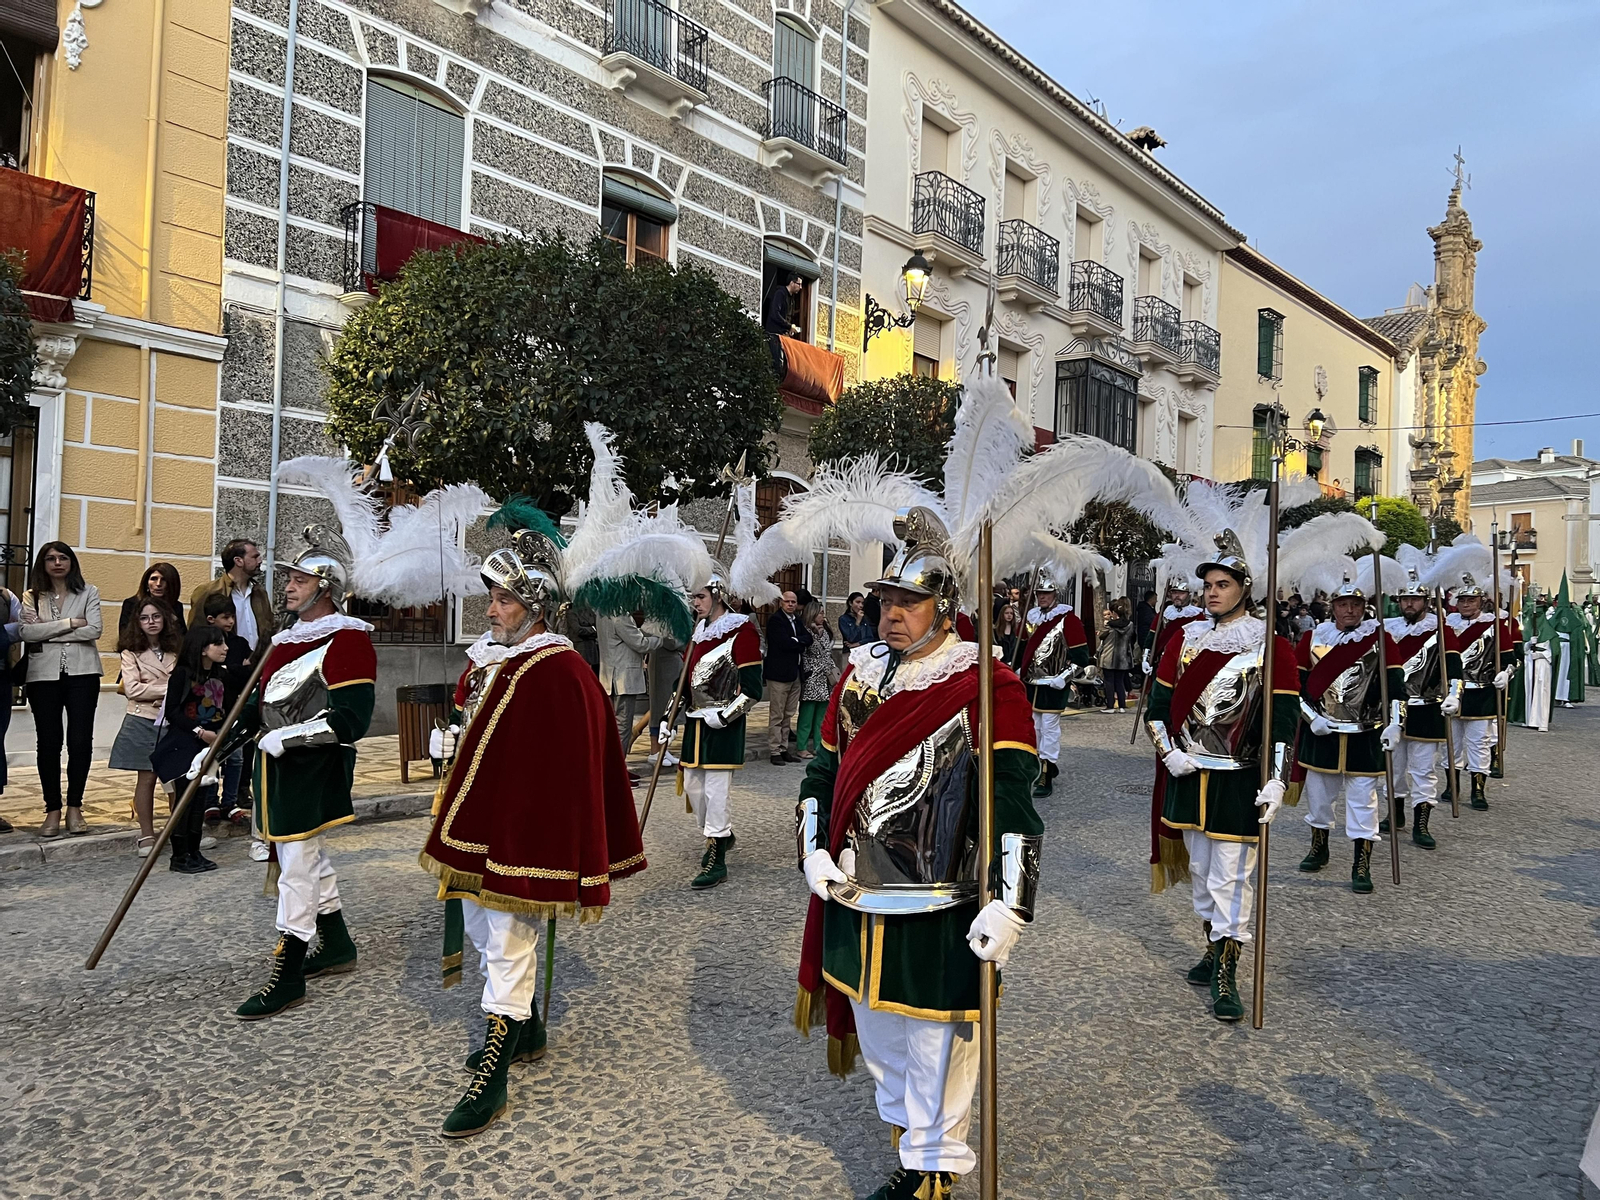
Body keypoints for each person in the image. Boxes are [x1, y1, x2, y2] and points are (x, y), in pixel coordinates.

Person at [794, 512, 1042, 1200]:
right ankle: (911, 1147)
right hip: (855, 889)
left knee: (936, 1044)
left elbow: (1014, 804)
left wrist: (1012, 904)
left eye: (908, 603)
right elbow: (822, 772)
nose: (891, 615)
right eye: (885, 601)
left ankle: (936, 1167)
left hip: (941, 898)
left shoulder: (988, 685)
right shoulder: (862, 674)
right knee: (880, 1037)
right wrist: (813, 850)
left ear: (945, 609)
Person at [419, 522, 645, 1138]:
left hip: (526, 833)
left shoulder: (558, 670)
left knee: (505, 936)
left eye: (504, 600)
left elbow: (567, 765)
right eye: (491, 598)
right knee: (475, 919)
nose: (491, 610)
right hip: (482, 819)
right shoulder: (505, 658)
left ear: (535, 606)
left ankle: (494, 1071)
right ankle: (528, 1027)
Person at [1144, 533, 1298, 1022]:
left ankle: (1228, 966)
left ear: (1243, 589)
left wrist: (1277, 778)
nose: (1212, 592)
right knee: (1202, 875)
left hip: (1236, 779)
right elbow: (1158, 709)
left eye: (1223, 584)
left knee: (1233, 875)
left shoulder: (1269, 645)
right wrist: (1168, 753)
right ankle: (1212, 946)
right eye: (1208, 584)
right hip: (1189, 776)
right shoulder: (1184, 639)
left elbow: (1283, 718)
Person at [231, 526, 376, 1021]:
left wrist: (289, 738)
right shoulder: (287, 640)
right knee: (307, 858)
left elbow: (350, 719)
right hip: (274, 769)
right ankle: (336, 945)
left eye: (298, 579)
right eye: (287, 578)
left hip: (312, 765)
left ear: (324, 586)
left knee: (296, 868)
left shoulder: (348, 640)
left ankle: (288, 972)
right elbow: (255, 707)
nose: (288, 586)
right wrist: (211, 748)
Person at [1291, 574, 1390, 892]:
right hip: (1322, 732)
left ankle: (1361, 864)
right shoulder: (1312, 639)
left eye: (1356, 604)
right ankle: (1319, 847)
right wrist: (1309, 718)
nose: (1349, 610)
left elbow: (1395, 685)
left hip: (1364, 733)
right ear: (1333, 607)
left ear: (1364, 607)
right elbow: (1294, 687)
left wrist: (1397, 722)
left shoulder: (1379, 638)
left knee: (1364, 802)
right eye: (1343, 604)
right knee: (1319, 800)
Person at [666, 564, 763, 890]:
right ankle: (721, 835)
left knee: (716, 790)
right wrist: (668, 719)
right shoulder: (697, 634)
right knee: (694, 788)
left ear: (717, 595)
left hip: (723, 725)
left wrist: (723, 716)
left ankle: (716, 855)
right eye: (693, 596)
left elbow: (753, 689)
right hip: (695, 723)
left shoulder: (742, 632)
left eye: (700, 595)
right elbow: (683, 685)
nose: (695, 602)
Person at [20, 542, 103, 837]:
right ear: (42, 563)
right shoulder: (31, 596)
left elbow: (94, 630)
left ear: (72, 562)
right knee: (49, 743)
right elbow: (27, 632)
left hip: (84, 674)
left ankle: (75, 807)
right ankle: (52, 809)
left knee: (80, 742)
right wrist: (69, 623)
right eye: (51, 558)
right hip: (43, 675)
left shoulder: (88, 592)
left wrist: (48, 628)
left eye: (63, 557)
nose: (57, 563)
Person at [1376, 566, 1458, 850]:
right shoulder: (1387, 629)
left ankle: (1422, 823)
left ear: (1426, 602)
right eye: (1405, 599)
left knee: (1423, 770)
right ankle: (1395, 814)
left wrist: (1455, 695)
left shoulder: (1441, 631)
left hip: (1426, 708)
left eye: (1415, 599)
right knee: (1394, 768)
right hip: (1393, 709)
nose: (1409, 604)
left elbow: (1455, 668)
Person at [153, 624, 236, 874]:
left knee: (201, 799)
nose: (225, 648)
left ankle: (194, 851)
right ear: (202, 649)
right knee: (185, 801)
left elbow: (225, 709)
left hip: (210, 746)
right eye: (218, 644)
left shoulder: (221, 676)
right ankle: (179, 855)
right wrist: (199, 731)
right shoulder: (182, 674)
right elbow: (172, 712)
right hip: (185, 745)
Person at [1443, 574, 1519, 810]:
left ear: (1480, 602)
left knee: (1479, 742)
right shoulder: (1446, 625)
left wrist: (1506, 673)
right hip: (1451, 693)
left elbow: (1510, 658)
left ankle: (1478, 789)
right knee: (1450, 742)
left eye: (1471, 600)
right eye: (1462, 600)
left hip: (1481, 692)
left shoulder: (1494, 625)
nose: (1466, 604)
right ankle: (1451, 785)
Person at [111, 599, 180, 857]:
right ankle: (146, 834)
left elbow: (183, 682)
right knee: (147, 778)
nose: (151, 622)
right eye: (144, 618)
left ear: (164, 620)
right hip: (142, 719)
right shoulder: (130, 651)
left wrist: (159, 692)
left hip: (171, 720)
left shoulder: (176, 650)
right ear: (137, 623)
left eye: (155, 617)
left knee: (175, 777)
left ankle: (179, 831)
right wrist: (169, 690)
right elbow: (132, 689)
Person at [1016, 576, 1089, 797]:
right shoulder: (1032, 618)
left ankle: (1046, 773)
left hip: (1053, 683)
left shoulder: (1068, 620)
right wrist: (1018, 667)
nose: (1042, 597)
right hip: (1031, 683)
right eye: (1039, 593)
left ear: (1055, 594)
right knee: (1034, 727)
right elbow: (1024, 650)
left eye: (1046, 593)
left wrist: (1064, 678)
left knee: (1048, 728)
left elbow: (1082, 658)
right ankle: (1039, 765)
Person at [200, 592, 257, 829]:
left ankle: (230, 801)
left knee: (235, 758)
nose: (231, 622)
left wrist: (229, 668)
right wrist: (233, 668)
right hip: (211, 710)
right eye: (225, 617)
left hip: (234, 707)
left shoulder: (239, 643)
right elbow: (215, 673)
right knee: (212, 756)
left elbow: (247, 674)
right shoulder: (201, 640)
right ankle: (211, 801)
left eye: (232, 616)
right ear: (211, 619)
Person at [190, 538, 273, 661]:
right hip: (224, 667)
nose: (260, 561)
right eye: (255, 557)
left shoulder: (259, 593)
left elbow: (268, 628)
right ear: (238, 561)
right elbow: (196, 635)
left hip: (257, 665)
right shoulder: (209, 592)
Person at [597, 611, 661, 761]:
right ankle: (617, 768)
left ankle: (614, 766)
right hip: (622, 678)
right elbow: (640, 643)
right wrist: (659, 640)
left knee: (615, 726)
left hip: (612, 675)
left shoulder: (602, 612)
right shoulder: (619, 614)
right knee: (622, 726)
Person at [764, 588, 812, 765]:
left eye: (793, 601)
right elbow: (783, 644)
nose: (791, 604)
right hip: (779, 674)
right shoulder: (776, 620)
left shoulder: (796, 620)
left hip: (794, 673)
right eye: (787, 601)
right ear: (780, 602)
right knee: (777, 714)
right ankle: (774, 750)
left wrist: (797, 641)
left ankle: (784, 748)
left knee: (788, 714)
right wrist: (797, 642)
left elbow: (808, 638)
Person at [795, 601, 835, 759]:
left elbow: (827, 653)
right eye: (820, 613)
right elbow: (813, 650)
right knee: (807, 716)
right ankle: (801, 747)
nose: (823, 616)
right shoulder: (806, 631)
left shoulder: (825, 631)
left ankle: (819, 746)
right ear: (812, 614)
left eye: (823, 613)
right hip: (812, 677)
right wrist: (815, 634)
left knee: (821, 716)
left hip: (825, 678)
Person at [118, 561, 187, 640]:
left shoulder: (176, 606)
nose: (158, 584)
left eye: (163, 580)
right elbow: (124, 635)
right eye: (154, 579)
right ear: (147, 583)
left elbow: (182, 637)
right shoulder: (132, 604)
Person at [1097, 598, 1138, 713]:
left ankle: (1110, 706)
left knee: (1109, 681)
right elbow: (1133, 639)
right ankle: (1121, 706)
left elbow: (1101, 636)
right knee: (1119, 682)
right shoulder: (1130, 625)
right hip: (1123, 657)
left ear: (1114, 613)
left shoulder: (1110, 626)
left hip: (1109, 656)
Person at [764, 271, 802, 337]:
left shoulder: (791, 299)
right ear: (792, 283)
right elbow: (775, 313)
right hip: (774, 334)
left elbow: (787, 317)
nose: (800, 287)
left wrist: (788, 329)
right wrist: (789, 326)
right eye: (799, 284)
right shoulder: (780, 293)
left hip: (782, 335)